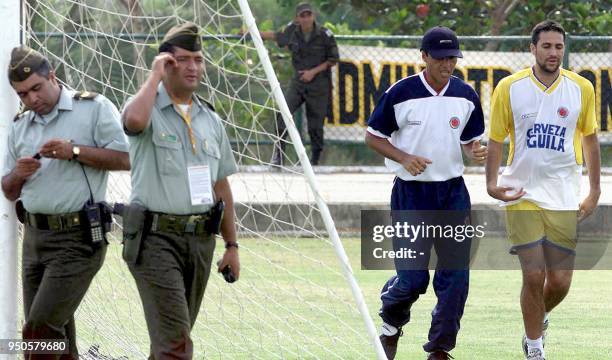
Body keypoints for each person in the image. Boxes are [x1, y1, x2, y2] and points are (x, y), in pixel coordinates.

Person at [1, 46, 130, 359]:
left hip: (78, 239)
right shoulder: (20, 125)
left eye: (36, 88)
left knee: (38, 332)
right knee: (56, 342)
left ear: (53, 77)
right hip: (34, 240)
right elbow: (8, 189)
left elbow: (127, 158)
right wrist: (18, 174)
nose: (32, 99)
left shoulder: (93, 107)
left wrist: (75, 151)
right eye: (22, 94)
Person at [365, 26, 486, 360]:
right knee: (413, 279)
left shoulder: (466, 95)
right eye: (441, 58)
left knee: (456, 278)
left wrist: (474, 151)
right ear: (424, 56)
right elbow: (373, 136)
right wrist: (404, 158)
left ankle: (439, 349)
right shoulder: (400, 93)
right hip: (411, 195)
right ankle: (391, 321)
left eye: (453, 58)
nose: (448, 64)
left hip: (453, 195)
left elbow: (468, 142)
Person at [121, 22, 240, 359]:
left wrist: (232, 245)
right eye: (183, 59)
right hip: (155, 240)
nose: (193, 67)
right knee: (175, 345)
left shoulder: (210, 119)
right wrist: (155, 76)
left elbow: (221, 185)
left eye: (198, 59)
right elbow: (133, 123)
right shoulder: (146, 107)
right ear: (166, 63)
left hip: (200, 242)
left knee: (172, 340)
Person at [486, 20, 600, 360]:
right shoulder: (509, 87)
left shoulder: (582, 88)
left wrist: (594, 190)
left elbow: (591, 141)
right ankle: (534, 348)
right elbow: (495, 140)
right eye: (547, 46)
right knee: (533, 275)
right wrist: (491, 183)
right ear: (532, 49)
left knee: (561, 281)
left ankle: (538, 318)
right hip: (522, 194)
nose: (553, 52)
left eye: (559, 47)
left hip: (564, 195)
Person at [259, 2, 339, 166]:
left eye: (308, 15)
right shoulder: (292, 30)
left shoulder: (325, 34)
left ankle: (315, 160)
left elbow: (333, 60)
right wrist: (253, 32)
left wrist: (313, 72)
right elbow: (276, 36)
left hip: (318, 85)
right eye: (302, 15)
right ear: (297, 18)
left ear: (313, 16)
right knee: (282, 114)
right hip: (298, 83)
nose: (306, 18)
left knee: (315, 125)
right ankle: (279, 155)